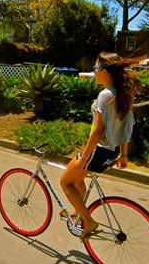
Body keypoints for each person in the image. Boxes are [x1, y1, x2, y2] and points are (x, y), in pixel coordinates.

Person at [60, 51, 141, 240]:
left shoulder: (105, 95)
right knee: (77, 179)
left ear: (104, 72)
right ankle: (77, 212)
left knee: (65, 182)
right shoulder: (123, 93)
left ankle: (88, 221)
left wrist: (84, 159)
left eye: (95, 68)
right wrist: (123, 154)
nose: (93, 72)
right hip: (111, 153)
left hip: (99, 151)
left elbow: (96, 131)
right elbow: (127, 126)